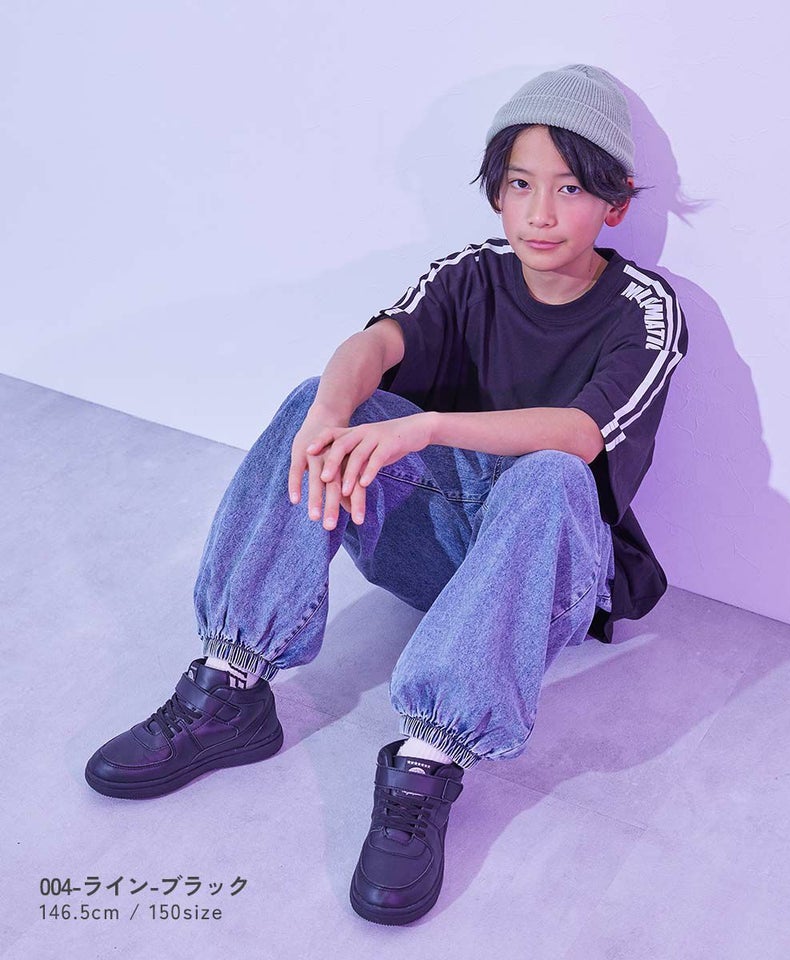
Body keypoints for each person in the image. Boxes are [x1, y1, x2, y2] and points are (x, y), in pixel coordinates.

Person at [85, 64, 688, 926]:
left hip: (541, 578)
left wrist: (427, 427)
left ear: (615, 203)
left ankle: (428, 764)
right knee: (323, 400)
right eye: (521, 184)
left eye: (569, 189)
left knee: (552, 473)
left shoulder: (645, 309)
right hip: (437, 552)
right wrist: (329, 413)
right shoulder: (471, 273)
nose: (541, 213)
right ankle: (230, 683)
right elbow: (371, 345)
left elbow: (581, 435)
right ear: (497, 191)